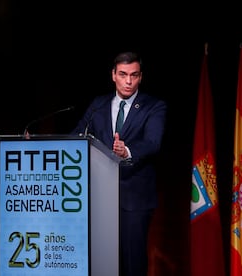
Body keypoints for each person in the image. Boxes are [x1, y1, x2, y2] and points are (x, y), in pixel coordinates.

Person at [71, 51, 167, 276]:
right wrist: (41, 145)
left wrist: (127, 151)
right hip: (100, 199)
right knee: (103, 263)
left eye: (134, 75)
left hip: (134, 198)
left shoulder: (154, 106)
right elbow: (77, 135)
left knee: (132, 264)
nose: (129, 81)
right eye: (123, 74)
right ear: (113, 75)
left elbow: (153, 142)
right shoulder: (98, 105)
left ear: (141, 77)